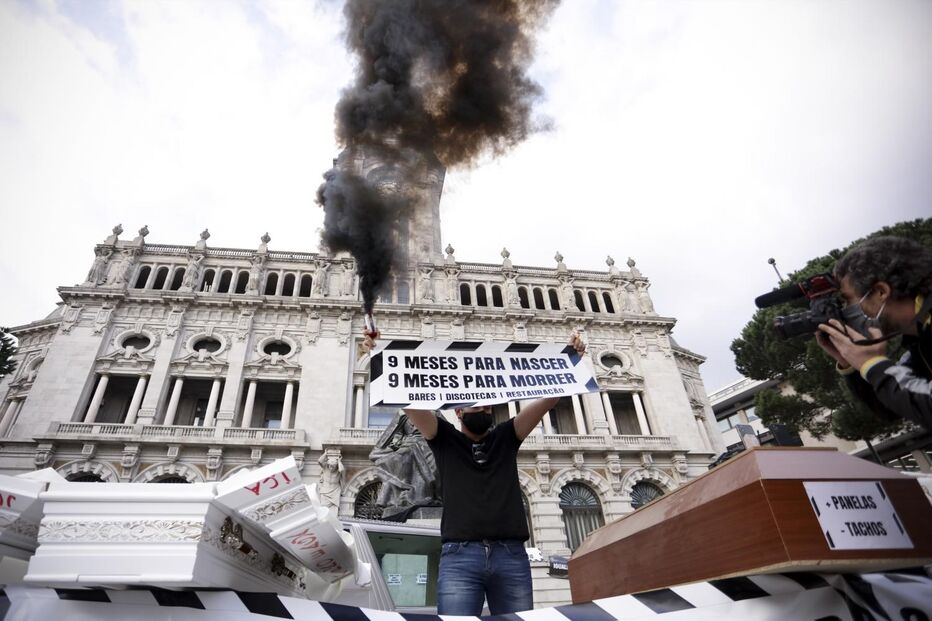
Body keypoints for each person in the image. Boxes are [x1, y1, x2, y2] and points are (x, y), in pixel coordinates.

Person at [362, 331, 586, 615]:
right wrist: (378, 356)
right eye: (474, 401)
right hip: (460, 557)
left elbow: (549, 401)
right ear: (457, 411)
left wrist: (571, 361)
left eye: (487, 402)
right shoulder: (443, 439)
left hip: (511, 557)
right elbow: (406, 401)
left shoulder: (507, 437)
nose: (482, 405)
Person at [815, 235, 932, 431]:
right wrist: (852, 364)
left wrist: (874, 365)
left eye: (847, 300)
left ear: (880, 292)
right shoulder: (919, 343)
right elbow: (893, 409)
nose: (845, 311)